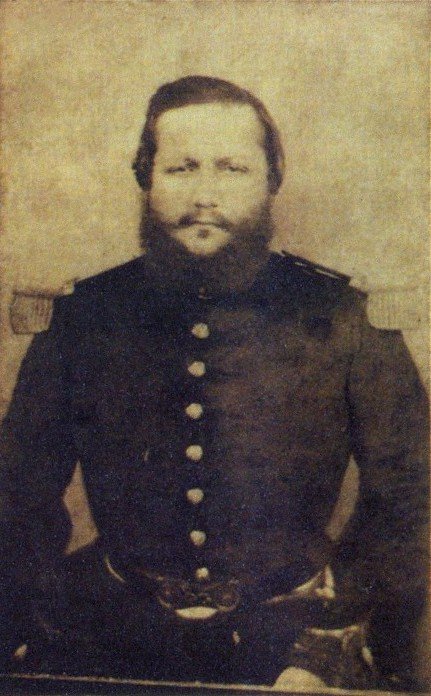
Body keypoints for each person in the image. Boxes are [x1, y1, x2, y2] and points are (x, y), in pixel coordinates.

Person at [0, 75, 428, 691]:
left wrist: (323, 647)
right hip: (107, 634)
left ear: (272, 180)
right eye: (180, 168)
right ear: (146, 179)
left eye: (232, 169)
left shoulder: (346, 318)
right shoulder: (82, 318)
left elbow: (407, 499)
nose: (204, 195)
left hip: (293, 642)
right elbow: (19, 500)